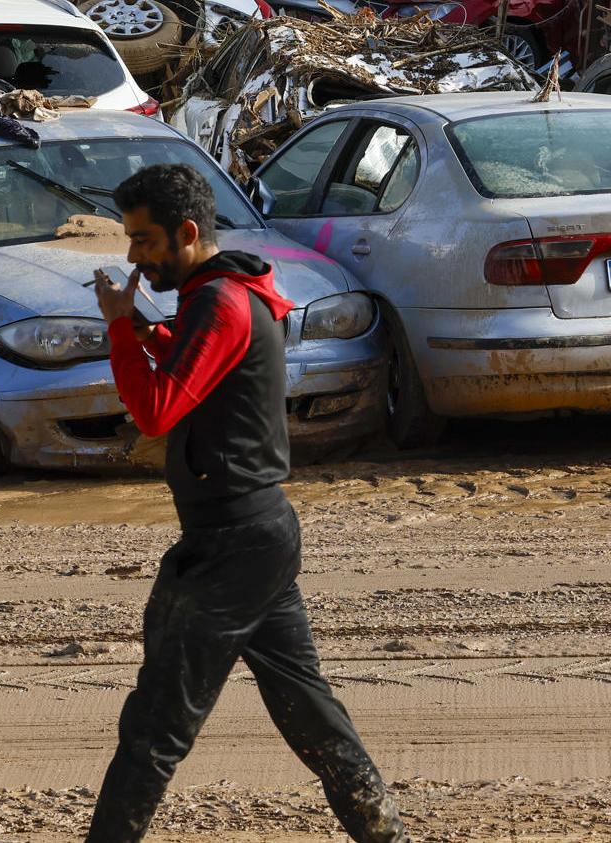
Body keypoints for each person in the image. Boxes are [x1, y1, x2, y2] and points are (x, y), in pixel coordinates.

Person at [84, 163, 408, 843]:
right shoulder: (217, 294)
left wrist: (119, 330)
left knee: (155, 728)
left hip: (236, 542)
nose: (133, 256)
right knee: (308, 711)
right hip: (247, 534)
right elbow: (198, 368)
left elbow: (157, 408)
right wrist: (144, 331)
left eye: (144, 241)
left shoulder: (221, 301)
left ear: (188, 233)